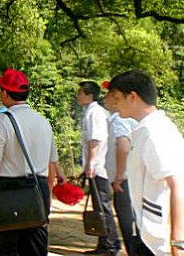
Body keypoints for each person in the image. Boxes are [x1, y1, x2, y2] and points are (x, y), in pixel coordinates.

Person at [0, 68, 61, 256]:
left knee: (4, 248)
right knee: (34, 249)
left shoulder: (2, 121)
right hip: (37, 189)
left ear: (4, 93)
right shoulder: (44, 122)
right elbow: (52, 165)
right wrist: (47, 194)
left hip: (8, 192)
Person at [106, 70, 184, 256]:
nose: (115, 103)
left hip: (160, 243)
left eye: (117, 97)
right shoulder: (148, 129)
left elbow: (177, 184)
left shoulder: (153, 133)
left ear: (132, 97)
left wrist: (178, 242)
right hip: (150, 235)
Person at [76, 80, 119, 256]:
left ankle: (109, 245)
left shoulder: (95, 113)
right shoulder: (92, 112)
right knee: (99, 206)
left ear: (89, 96)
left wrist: (91, 163)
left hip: (99, 167)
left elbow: (96, 139)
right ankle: (107, 242)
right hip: (98, 165)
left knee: (102, 207)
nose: (78, 96)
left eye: (81, 93)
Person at [102, 80, 138, 256]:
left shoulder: (119, 120)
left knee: (127, 222)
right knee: (136, 220)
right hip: (133, 178)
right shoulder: (131, 119)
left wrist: (119, 176)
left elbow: (123, 146)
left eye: (109, 95)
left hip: (124, 180)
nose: (105, 98)